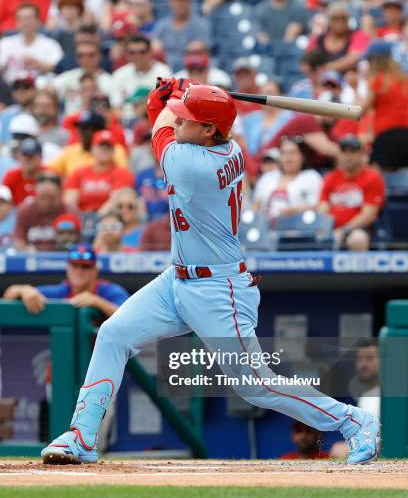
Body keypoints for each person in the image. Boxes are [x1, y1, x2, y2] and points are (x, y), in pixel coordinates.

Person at [41, 79, 379, 466]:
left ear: (209, 130)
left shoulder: (194, 164)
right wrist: (184, 96)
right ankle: (82, 435)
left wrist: (168, 100)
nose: (181, 123)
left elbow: (162, 130)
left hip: (220, 288)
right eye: (182, 118)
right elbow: (168, 123)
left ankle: (354, 421)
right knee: (114, 334)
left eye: (191, 119)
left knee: (255, 386)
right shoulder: (222, 145)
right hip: (177, 279)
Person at [4, 243, 129, 317]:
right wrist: (23, 290)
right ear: (68, 268)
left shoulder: (110, 291)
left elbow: (129, 319)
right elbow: (8, 297)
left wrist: (97, 302)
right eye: (75, 266)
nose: (79, 271)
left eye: (85, 267)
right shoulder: (60, 291)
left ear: (95, 270)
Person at [318, 134, 385, 250]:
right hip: (332, 229)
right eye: (344, 152)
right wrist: (324, 229)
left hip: (360, 229)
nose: (348, 156)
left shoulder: (372, 177)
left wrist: (344, 230)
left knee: (357, 238)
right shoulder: (331, 178)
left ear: (361, 154)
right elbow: (323, 208)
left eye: (352, 152)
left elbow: (368, 215)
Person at [360, 41, 408, 171]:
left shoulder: (378, 80)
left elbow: (361, 110)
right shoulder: (404, 79)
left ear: (375, 61)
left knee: (376, 180)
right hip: (406, 133)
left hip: (386, 136)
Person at [252, 137, 322, 224]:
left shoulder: (312, 177)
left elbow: (318, 207)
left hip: (300, 228)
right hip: (266, 228)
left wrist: (295, 211)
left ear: (302, 157)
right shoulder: (267, 177)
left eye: (292, 153)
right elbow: (255, 205)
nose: (288, 158)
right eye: (284, 153)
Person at [63, 129, 134, 213]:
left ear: (113, 151)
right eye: (100, 146)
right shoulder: (79, 172)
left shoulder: (122, 173)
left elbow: (115, 200)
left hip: (110, 217)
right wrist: (80, 217)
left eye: (108, 147)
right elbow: (70, 199)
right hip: (81, 215)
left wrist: (96, 218)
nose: (104, 149)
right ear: (92, 149)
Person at [152, 0, 211, 72]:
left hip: (191, 69)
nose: (179, 3)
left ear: (190, 1)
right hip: (164, 69)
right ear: (170, 2)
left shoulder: (200, 24)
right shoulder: (162, 24)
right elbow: (155, 48)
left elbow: (199, 49)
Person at [49, 111, 128, 178]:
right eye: (79, 128)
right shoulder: (70, 151)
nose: (80, 132)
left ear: (99, 130)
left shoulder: (115, 150)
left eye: (85, 129)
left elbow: (123, 176)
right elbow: (50, 170)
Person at [0, 3, 63, 85]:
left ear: (38, 21)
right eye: (21, 19)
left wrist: (36, 63)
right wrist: (5, 65)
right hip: (9, 88)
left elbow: (58, 68)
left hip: (38, 89)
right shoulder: (5, 43)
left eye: (29, 18)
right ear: (16, 22)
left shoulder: (50, 44)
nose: (26, 22)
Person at [52, 39, 112, 115]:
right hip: (70, 122)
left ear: (99, 56)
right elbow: (49, 91)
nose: (86, 59)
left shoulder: (109, 80)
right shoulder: (69, 76)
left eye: (91, 55)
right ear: (76, 58)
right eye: (81, 56)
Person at [307, 1, 371, 73]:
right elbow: (308, 61)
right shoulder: (318, 39)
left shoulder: (359, 36)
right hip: (321, 80)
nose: (340, 21)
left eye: (343, 18)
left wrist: (325, 68)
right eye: (335, 18)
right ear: (328, 20)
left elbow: (354, 59)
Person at [110, 34, 170, 110]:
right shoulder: (119, 74)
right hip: (125, 118)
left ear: (151, 52)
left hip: (152, 117)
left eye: (142, 52)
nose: (137, 56)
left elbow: (163, 104)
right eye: (132, 52)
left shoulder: (163, 72)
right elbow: (116, 106)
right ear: (126, 54)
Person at [14, 173, 71, 251]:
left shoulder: (69, 212)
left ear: (61, 193)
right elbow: (19, 242)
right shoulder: (25, 211)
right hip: (32, 258)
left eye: (51, 198)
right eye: (42, 197)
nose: (46, 202)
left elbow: (76, 243)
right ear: (35, 193)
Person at [242, 81, 294, 155]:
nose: (266, 96)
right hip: (253, 161)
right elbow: (245, 146)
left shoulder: (290, 118)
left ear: (280, 95)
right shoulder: (250, 119)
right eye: (262, 93)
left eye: (270, 92)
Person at [3, 137, 48, 205]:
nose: (27, 159)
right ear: (19, 156)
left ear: (40, 157)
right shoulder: (11, 176)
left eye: (31, 156)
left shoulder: (49, 175)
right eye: (24, 155)